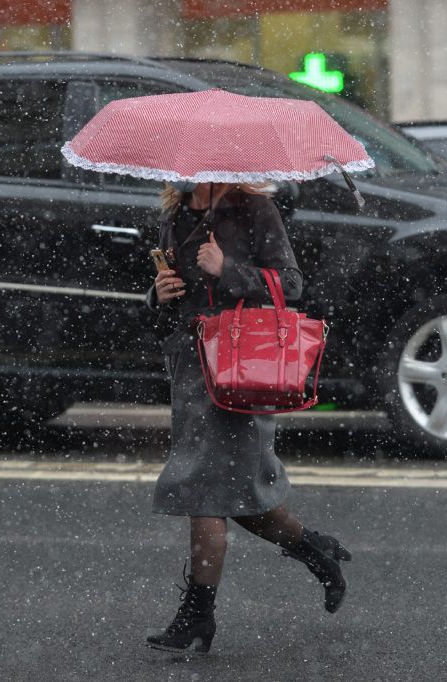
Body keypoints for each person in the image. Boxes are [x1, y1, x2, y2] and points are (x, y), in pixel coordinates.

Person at [144, 181, 352, 655]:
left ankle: (198, 617)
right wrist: (159, 293)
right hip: (191, 367)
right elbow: (167, 305)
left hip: (241, 368)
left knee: (204, 492)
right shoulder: (174, 214)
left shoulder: (254, 208)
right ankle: (315, 549)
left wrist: (229, 271)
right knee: (240, 499)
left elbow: (291, 285)